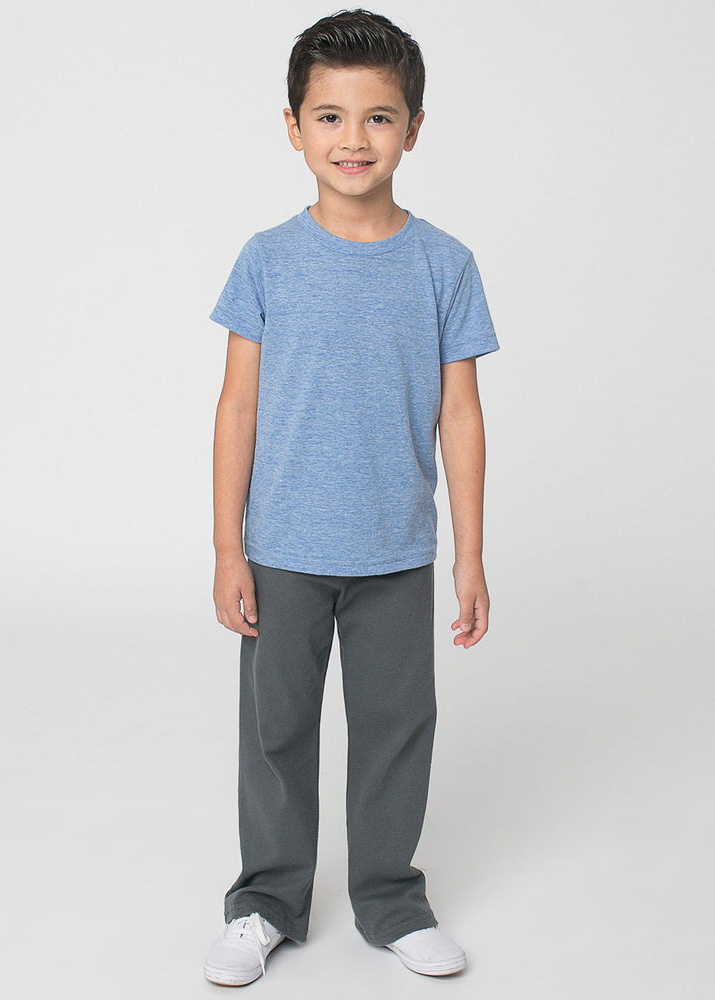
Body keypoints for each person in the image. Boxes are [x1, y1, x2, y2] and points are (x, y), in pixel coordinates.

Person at [203, 8, 500, 986]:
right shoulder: (267, 258)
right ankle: (265, 902)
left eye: (379, 116)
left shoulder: (444, 264)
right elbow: (237, 405)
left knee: (396, 730)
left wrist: (468, 554)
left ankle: (390, 900)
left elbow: (462, 415)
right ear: (293, 127)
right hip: (281, 550)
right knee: (276, 733)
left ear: (414, 127)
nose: (354, 139)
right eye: (330, 116)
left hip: (395, 550)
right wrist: (228, 546)